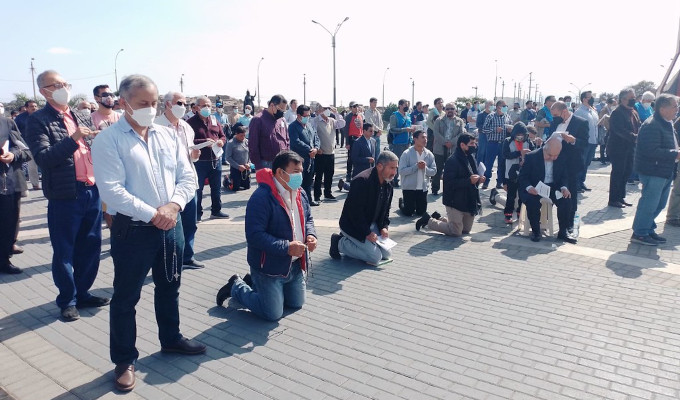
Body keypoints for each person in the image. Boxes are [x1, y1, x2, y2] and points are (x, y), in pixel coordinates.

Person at [92, 74, 204, 392]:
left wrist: (173, 207)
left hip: (171, 227)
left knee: (170, 286)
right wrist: (154, 214)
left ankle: (171, 339)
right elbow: (112, 191)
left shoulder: (168, 136)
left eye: (154, 103)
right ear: (124, 102)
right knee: (126, 297)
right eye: (143, 104)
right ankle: (124, 359)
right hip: (133, 230)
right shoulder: (109, 140)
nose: (150, 109)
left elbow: (187, 176)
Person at [25, 70, 107, 321]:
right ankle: (67, 300)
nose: (63, 88)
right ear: (44, 91)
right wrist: (74, 139)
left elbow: (91, 147)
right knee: (65, 250)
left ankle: (83, 293)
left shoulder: (80, 114)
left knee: (91, 246)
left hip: (91, 190)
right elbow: (44, 158)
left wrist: (98, 138)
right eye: (57, 85)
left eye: (65, 83)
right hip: (65, 195)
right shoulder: (38, 120)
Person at [216, 150, 317, 321]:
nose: (300, 176)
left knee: (296, 303)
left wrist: (311, 235)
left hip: (294, 265)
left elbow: (308, 219)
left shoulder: (300, 193)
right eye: (295, 172)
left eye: (301, 171)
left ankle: (262, 289)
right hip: (269, 268)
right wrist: (287, 247)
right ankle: (236, 286)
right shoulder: (262, 198)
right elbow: (255, 235)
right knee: (272, 313)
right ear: (280, 172)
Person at [155, 91, 205, 270]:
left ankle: (186, 257)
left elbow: (189, 155)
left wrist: (194, 156)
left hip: (188, 183)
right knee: (170, 226)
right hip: (168, 185)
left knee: (190, 223)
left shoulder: (185, 127)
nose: (183, 107)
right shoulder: (155, 126)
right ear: (168, 104)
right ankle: (169, 261)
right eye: (179, 103)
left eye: (185, 104)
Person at [329, 151, 397, 265]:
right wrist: (367, 233)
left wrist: (384, 227)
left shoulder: (388, 183)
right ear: (380, 166)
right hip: (353, 225)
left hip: (371, 224)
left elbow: (386, 210)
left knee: (387, 254)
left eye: (396, 168)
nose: (394, 172)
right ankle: (339, 242)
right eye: (392, 168)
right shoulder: (362, 181)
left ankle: (356, 244)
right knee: (375, 257)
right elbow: (355, 213)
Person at [630, 94, 679, 245]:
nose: (677, 109)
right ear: (663, 108)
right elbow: (651, 150)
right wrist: (675, 154)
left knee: (659, 204)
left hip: (664, 170)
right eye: (674, 106)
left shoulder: (666, 123)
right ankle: (640, 233)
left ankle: (648, 228)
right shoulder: (652, 124)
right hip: (653, 171)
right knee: (649, 203)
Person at [415, 134, 483, 236]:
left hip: (468, 200)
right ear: (462, 145)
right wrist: (469, 181)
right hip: (454, 201)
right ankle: (428, 220)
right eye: (472, 144)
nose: (475, 146)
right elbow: (449, 183)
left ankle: (438, 218)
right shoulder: (452, 161)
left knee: (465, 230)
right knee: (455, 231)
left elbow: (474, 176)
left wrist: (479, 179)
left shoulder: (471, 158)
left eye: (475, 143)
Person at [518, 138, 576, 243]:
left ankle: (563, 232)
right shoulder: (532, 157)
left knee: (566, 200)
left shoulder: (561, 157)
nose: (553, 158)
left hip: (553, 187)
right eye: (550, 155)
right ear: (544, 149)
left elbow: (564, 176)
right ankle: (536, 231)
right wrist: (529, 187)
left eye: (555, 156)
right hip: (535, 188)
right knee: (532, 202)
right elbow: (523, 177)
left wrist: (564, 188)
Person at [549, 101, 589, 233]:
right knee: (557, 190)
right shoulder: (555, 122)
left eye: (556, 114)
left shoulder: (581, 122)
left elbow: (584, 144)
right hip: (555, 162)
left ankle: (570, 223)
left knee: (571, 192)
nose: (554, 117)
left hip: (572, 163)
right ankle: (554, 220)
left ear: (564, 111)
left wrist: (573, 140)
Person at [187, 96, 229, 220]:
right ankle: (197, 214)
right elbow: (188, 141)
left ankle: (216, 211)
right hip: (200, 162)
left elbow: (222, 136)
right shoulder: (190, 123)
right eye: (204, 105)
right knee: (198, 190)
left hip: (216, 160)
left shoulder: (214, 119)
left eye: (209, 106)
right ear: (196, 107)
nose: (207, 108)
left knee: (216, 189)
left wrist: (221, 141)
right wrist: (204, 141)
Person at [0, 115, 31, 274]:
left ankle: (4, 260)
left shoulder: (6, 122)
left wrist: (13, 155)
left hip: (8, 183)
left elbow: (24, 150)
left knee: (8, 223)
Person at [607, 88, 641, 208]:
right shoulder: (617, 113)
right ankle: (613, 199)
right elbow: (619, 130)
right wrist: (635, 137)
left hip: (630, 148)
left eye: (634, 97)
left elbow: (639, 126)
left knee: (626, 172)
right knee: (618, 173)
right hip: (618, 149)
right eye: (631, 98)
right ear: (623, 99)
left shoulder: (633, 112)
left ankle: (621, 197)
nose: (634, 100)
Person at [310, 104, 344, 202]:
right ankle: (317, 195)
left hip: (331, 152)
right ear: (320, 110)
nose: (327, 111)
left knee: (329, 174)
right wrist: (316, 148)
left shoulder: (332, 121)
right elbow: (312, 136)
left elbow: (342, 123)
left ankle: (328, 193)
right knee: (319, 175)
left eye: (328, 109)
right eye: (325, 109)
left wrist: (336, 113)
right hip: (321, 153)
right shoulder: (315, 121)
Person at [398, 130, 436, 216]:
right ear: (415, 139)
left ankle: (413, 204)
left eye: (426, 137)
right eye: (422, 137)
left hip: (422, 189)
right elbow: (401, 171)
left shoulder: (429, 154)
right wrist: (416, 167)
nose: (425, 139)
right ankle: (402, 202)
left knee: (421, 213)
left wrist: (425, 168)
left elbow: (434, 171)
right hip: (409, 188)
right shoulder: (406, 154)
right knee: (408, 212)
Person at [288, 104, 320, 205]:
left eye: (309, 115)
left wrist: (316, 148)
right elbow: (295, 142)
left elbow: (316, 137)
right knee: (299, 182)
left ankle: (308, 200)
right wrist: (310, 150)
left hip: (311, 158)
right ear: (299, 116)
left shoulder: (309, 125)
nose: (307, 118)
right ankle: (297, 202)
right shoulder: (293, 127)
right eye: (305, 116)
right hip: (299, 159)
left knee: (309, 181)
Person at [501, 123, 533, 224]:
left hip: (524, 172)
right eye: (518, 134)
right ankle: (508, 214)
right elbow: (505, 155)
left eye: (522, 134)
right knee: (511, 195)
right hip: (510, 172)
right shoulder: (508, 141)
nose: (520, 137)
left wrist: (526, 157)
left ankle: (520, 213)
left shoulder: (528, 142)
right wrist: (519, 153)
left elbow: (533, 154)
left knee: (522, 195)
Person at [432, 102, 465, 195]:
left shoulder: (460, 121)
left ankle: (448, 188)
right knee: (437, 169)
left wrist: (452, 142)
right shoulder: (439, 120)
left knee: (450, 170)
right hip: (439, 148)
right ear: (445, 110)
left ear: (455, 110)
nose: (449, 110)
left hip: (453, 149)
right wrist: (445, 143)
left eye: (452, 109)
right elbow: (436, 133)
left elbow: (461, 133)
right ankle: (435, 188)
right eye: (447, 109)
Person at [249, 94, 289, 170]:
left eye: (284, 110)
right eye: (280, 110)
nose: (282, 112)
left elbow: (287, 139)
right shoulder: (258, 120)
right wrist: (258, 166)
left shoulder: (282, 120)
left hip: (281, 162)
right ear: (272, 105)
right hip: (265, 163)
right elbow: (253, 145)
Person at [481, 100, 513, 189]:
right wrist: (495, 129)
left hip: (503, 143)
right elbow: (484, 129)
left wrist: (510, 130)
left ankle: (500, 182)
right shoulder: (490, 116)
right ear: (498, 107)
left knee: (502, 164)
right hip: (492, 143)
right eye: (504, 106)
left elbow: (511, 126)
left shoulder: (507, 117)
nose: (505, 108)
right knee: (489, 163)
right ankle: (486, 181)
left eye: (506, 106)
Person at [573, 91, 599, 192]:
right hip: (585, 142)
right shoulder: (579, 112)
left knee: (587, 163)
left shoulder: (592, 111)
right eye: (590, 97)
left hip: (593, 140)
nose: (592, 98)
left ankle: (582, 181)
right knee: (581, 163)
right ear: (584, 99)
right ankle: (576, 184)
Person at [389, 99, 416, 187]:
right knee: (397, 162)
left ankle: (406, 178)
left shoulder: (408, 115)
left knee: (406, 162)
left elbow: (409, 127)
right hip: (397, 143)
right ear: (400, 105)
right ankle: (394, 179)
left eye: (408, 105)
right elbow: (392, 129)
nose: (407, 107)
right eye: (405, 105)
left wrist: (412, 130)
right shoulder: (395, 115)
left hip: (407, 142)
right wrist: (405, 130)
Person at [15, 100, 41, 190]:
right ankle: (35, 184)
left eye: (35, 106)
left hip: (41, 144)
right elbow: (16, 132)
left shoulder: (41, 116)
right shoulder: (20, 118)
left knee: (45, 164)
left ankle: (47, 183)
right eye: (31, 106)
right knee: (32, 165)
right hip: (27, 145)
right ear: (26, 108)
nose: (34, 108)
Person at [225, 125, 251, 191]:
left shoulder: (246, 141)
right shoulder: (231, 143)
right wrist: (238, 166)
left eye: (244, 135)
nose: (243, 137)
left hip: (245, 167)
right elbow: (228, 157)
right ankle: (227, 179)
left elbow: (250, 153)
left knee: (247, 187)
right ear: (236, 134)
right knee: (235, 188)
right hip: (236, 168)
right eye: (241, 136)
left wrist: (249, 163)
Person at [343, 101, 364, 180]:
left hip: (360, 138)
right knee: (351, 157)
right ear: (351, 108)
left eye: (357, 106)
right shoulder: (348, 117)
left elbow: (361, 128)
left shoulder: (360, 116)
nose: (356, 108)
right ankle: (348, 173)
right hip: (352, 138)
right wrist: (347, 142)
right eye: (354, 107)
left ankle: (357, 172)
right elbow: (346, 130)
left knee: (359, 157)